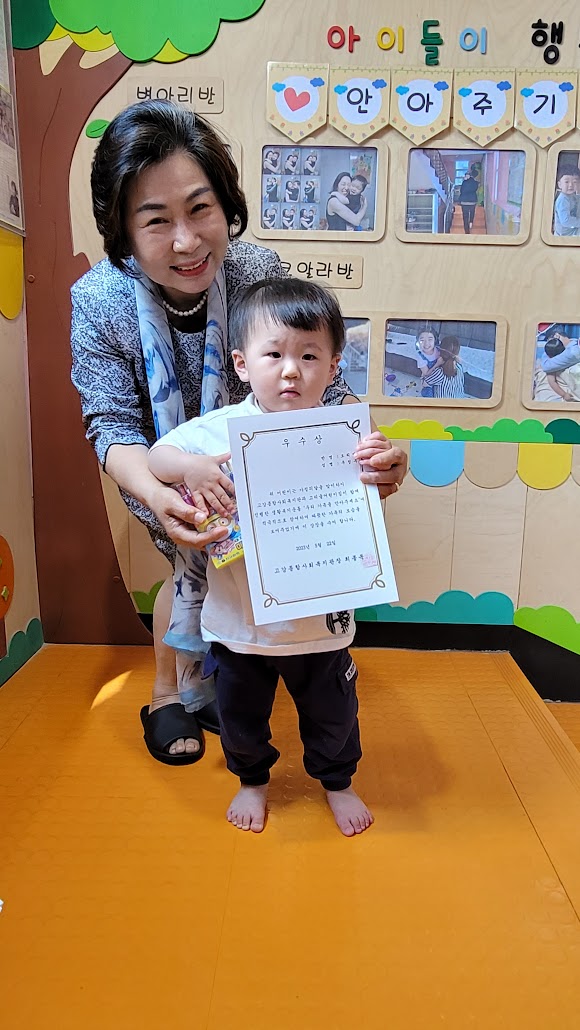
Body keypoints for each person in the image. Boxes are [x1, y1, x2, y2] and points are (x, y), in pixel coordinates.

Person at [70, 100, 408, 765]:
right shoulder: (100, 299)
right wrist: (162, 490)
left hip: (268, 464)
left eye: (200, 208)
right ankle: (167, 695)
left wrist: (374, 453)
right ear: (122, 228)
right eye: (156, 219)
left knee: (244, 578)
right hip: (168, 464)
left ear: (225, 202)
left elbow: (320, 378)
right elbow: (111, 423)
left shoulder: (255, 268)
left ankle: (218, 682)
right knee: (183, 562)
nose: (187, 241)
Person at [148, 278, 386, 835]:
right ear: (241, 363)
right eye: (274, 354)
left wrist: (379, 461)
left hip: (322, 625)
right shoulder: (217, 432)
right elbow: (158, 457)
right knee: (241, 715)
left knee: (334, 714)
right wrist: (191, 469)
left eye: (310, 356)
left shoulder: (344, 432)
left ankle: (338, 781)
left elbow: (375, 484)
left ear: (334, 366)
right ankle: (251, 780)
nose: (291, 371)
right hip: (239, 625)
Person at [534, 338, 580, 402]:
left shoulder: (551, 365)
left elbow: (552, 382)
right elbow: (552, 382)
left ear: (548, 355)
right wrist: (564, 394)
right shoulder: (553, 366)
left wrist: (564, 395)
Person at [553, 169, 580, 236]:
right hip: (565, 234)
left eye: (574, 182)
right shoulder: (562, 200)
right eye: (566, 182)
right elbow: (566, 221)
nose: (571, 185)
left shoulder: (572, 196)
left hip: (572, 230)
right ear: (559, 184)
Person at [415, 329, 440, 399]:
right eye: (422, 340)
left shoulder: (438, 349)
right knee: (428, 394)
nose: (426, 344)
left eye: (430, 339)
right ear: (418, 342)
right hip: (428, 380)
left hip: (440, 377)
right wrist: (437, 364)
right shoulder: (420, 356)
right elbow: (426, 374)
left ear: (435, 340)